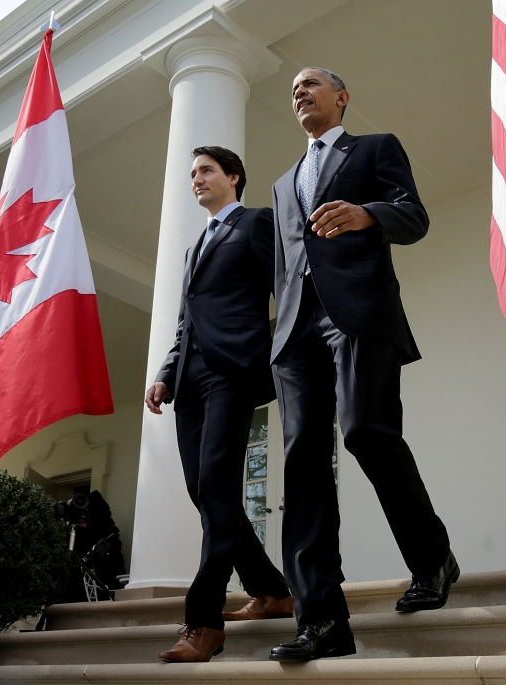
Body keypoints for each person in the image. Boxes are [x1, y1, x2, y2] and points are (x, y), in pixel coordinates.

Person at [267, 68, 458, 662]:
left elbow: (414, 215)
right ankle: (321, 619)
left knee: (366, 432)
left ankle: (432, 560)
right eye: (293, 89)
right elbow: (282, 261)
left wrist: (368, 213)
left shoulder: (375, 148)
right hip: (296, 329)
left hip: (360, 313)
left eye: (312, 84)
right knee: (301, 465)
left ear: (342, 97)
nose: (300, 93)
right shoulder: (282, 184)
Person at [145, 146, 292, 663]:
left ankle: (203, 621)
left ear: (234, 177)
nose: (197, 180)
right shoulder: (193, 249)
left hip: (234, 371)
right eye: (192, 174)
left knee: (216, 484)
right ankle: (272, 591)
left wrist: (277, 351)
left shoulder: (256, 224)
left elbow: (288, 283)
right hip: (191, 380)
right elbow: (186, 322)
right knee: (203, 489)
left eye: (206, 170)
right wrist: (165, 373)